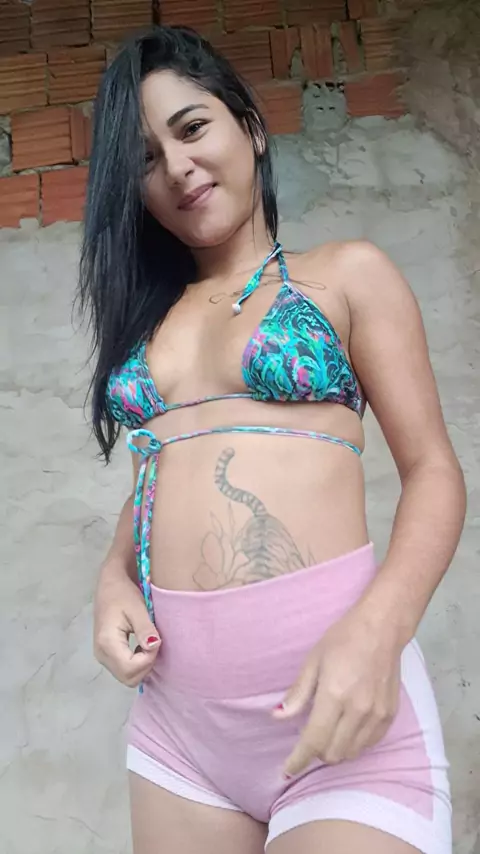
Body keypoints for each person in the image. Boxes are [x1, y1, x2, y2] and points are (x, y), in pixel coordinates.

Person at [78, 25, 466, 854]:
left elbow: (434, 471)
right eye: (146, 159)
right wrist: (112, 577)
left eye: (192, 128)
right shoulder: (150, 322)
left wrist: (381, 630)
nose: (177, 167)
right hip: (181, 740)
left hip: (344, 724)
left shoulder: (345, 276)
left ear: (250, 127)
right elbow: (158, 471)